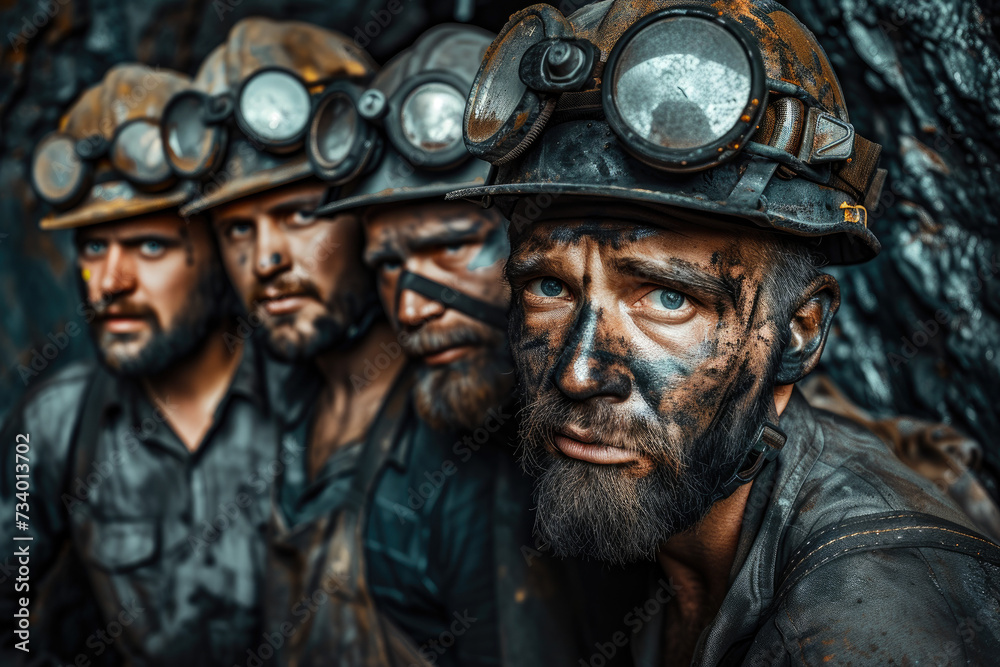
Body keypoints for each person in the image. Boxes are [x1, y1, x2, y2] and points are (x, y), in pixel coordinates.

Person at [450, 1, 1000, 665]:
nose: (578, 371)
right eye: (549, 287)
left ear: (798, 331)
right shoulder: (668, 528)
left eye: (668, 297)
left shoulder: (864, 629)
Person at [314, 23, 649, 667]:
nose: (411, 307)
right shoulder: (408, 464)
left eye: (451, 247)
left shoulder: (689, 431)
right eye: (389, 264)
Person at [172, 19, 500, 667]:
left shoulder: (465, 438)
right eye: (237, 229)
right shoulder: (274, 401)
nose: (265, 259)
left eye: (297, 216)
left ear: (362, 209)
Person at [0, 64, 278, 666]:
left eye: (150, 246)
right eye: (94, 247)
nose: (110, 284)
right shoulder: (50, 428)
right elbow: (12, 609)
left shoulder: (313, 400)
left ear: (216, 253)